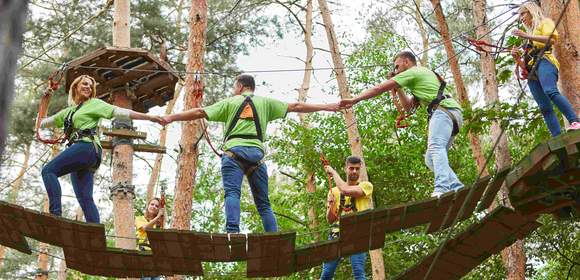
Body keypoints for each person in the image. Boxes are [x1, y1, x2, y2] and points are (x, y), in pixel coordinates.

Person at [161, 74, 339, 233]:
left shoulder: (230, 102)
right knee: (263, 204)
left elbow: (200, 111)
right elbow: (296, 105)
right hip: (257, 157)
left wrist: (171, 118)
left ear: (239, 87)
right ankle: (274, 237)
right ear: (251, 87)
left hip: (233, 154)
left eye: (234, 88)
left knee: (232, 193)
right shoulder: (265, 103)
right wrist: (327, 106)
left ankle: (232, 232)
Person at [39, 75, 163, 223]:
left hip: (86, 148)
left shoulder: (94, 104)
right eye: (84, 84)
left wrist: (149, 118)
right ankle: (95, 236)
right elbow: (42, 123)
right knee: (85, 198)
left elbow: (119, 112)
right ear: (75, 87)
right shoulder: (68, 112)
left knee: (48, 171)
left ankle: (55, 216)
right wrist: (45, 100)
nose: (88, 88)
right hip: (85, 155)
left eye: (90, 86)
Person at [339, 51, 463, 197]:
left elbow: (378, 88)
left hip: (443, 112)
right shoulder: (420, 76)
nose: (396, 70)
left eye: (397, 66)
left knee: (436, 147)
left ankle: (442, 188)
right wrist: (399, 89)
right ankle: (456, 186)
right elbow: (408, 108)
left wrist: (355, 99)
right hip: (452, 114)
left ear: (406, 62)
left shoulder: (414, 71)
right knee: (430, 159)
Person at [511, 2, 580, 136]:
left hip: (545, 62)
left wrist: (526, 36)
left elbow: (551, 40)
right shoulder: (528, 39)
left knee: (550, 90)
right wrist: (517, 59)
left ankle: (575, 121)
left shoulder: (544, 23)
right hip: (532, 72)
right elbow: (525, 66)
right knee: (544, 107)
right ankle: (557, 136)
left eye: (523, 14)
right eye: (519, 16)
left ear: (531, 12)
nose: (521, 18)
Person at [320, 156, 372, 280]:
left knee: (359, 273)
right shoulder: (333, 191)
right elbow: (330, 220)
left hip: (358, 235)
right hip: (336, 234)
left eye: (357, 169)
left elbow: (346, 190)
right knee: (326, 273)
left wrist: (333, 172)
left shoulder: (366, 186)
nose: (354, 171)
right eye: (351, 168)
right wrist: (331, 206)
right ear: (346, 169)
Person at [135, 197, 164, 280]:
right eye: (152, 204)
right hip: (143, 251)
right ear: (148, 206)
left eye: (156, 206)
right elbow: (145, 228)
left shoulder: (159, 224)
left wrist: (162, 215)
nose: (154, 207)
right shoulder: (139, 218)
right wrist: (158, 217)